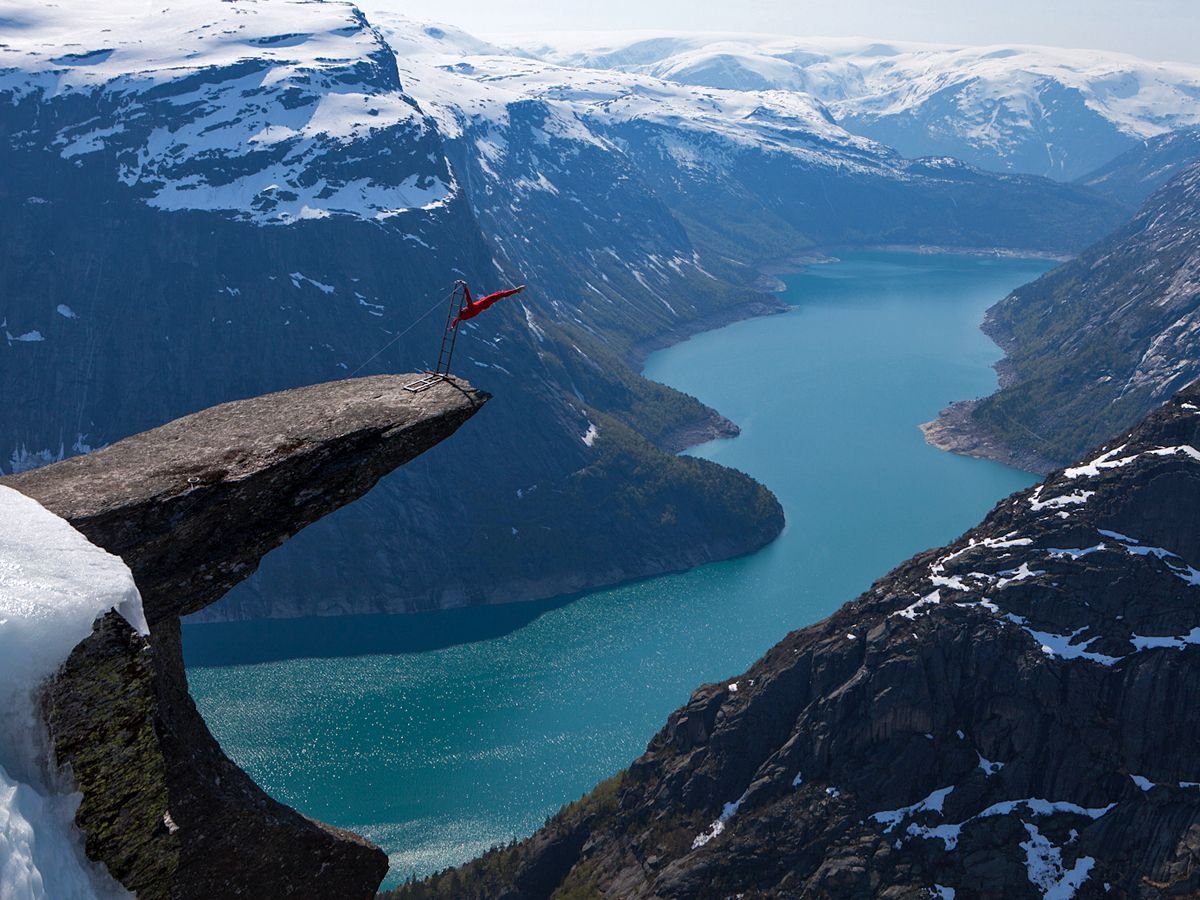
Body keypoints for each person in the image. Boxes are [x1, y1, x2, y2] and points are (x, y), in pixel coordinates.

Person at [453, 282, 526, 326]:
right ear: (464, 310)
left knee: (499, 294)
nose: (463, 308)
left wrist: (452, 327)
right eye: (462, 309)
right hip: (485, 302)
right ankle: (517, 290)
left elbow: (457, 319)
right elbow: (468, 297)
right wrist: (465, 287)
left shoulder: (464, 317)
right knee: (500, 294)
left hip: (484, 306)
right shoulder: (470, 307)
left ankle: (516, 290)